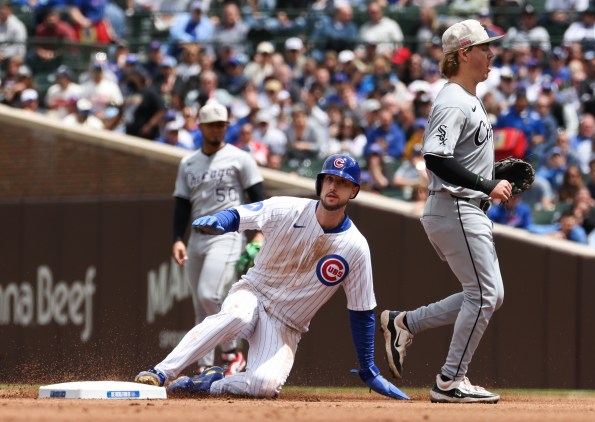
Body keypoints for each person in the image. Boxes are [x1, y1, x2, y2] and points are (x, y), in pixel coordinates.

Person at [134, 154, 410, 401]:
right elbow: (242, 214)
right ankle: (160, 372)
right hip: (253, 292)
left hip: (286, 323)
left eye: (342, 182)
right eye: (328, 179)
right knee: (236, 316)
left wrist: (368, 368)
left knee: (264, 387)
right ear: (320, 183)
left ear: (354, 191)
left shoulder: (355, 247)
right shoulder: (287, 208)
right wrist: (222, 219)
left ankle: (210, 384)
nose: (333, 187)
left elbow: (361, 311)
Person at [380, 19, 511, 404]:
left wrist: (488, 174)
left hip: (462, 207)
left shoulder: (468, 97)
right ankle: (450, 380)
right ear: (464, 53)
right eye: (485, 47)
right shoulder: (454, 98)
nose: (491, 53)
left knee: (487, 294)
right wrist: (486, 183)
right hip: (455, 206)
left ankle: (404, 323)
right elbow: (435, 158)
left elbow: (454, 157)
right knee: (486, 295)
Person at [166, 102, 266, 377]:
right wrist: (177, 238)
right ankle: (205, 367)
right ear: (200, 127)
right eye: (212, 125)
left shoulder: (240, 157)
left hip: (228, 235)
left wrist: (259, 233)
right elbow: (182, 204)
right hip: (196, 239)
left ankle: (232, 353)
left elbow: (259, 198)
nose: (217, 129)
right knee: (201, 308)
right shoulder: (188, 163)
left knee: (209, 294)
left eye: (222, 125)